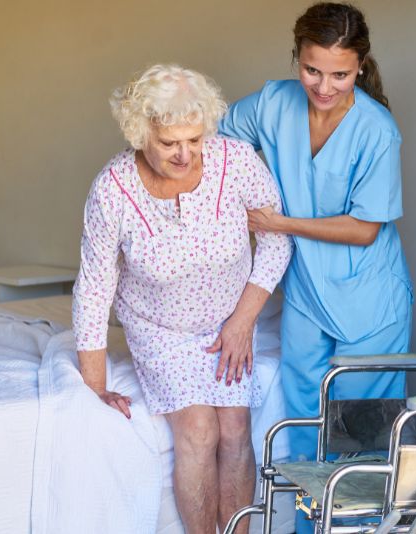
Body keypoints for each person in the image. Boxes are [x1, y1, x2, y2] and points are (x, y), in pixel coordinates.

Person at [72, 64, 292, 534]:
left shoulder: (235, 162)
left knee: (235, 429)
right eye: (170, 142)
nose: (185, 153)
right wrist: (95, 387)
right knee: (198, 431)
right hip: (160, 329)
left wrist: (244, 321)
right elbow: (94, 287)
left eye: (194, 139)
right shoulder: (112, 190)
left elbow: (277, 241)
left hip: (230, 320)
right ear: (139, 132)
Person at [219, 1, 412, 468]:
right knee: (304, 430)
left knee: (359, 442)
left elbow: (366, 230)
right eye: (312, 71)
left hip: (370, 305)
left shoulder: (376, 131)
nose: (324, 87)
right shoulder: (272, 103)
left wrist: (277, 223)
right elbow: (218, 144)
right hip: (306, 295)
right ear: (296, 58)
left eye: (340, 75)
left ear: (359, 67)